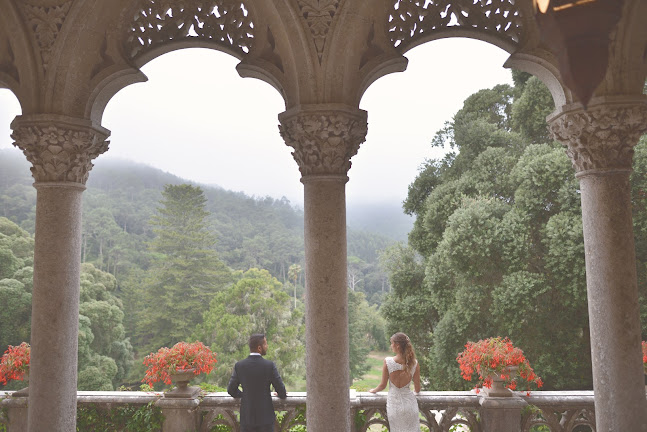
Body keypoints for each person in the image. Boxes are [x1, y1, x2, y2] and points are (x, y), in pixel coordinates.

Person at [227, 334, 287, 432]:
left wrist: (245, 395)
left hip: (247, 419)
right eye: (265, 344)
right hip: (265, 419)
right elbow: (282, 392)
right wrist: (279, 393)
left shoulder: (240, 366)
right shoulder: (269, 366)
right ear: (259, 348)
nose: (267, 346)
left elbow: (231, 390)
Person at [368, 332, 421, 432]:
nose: (391, 346)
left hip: (394, 404)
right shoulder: (414, 363)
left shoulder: (388, 362)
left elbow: (382, 385)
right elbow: (417, 389)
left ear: (397, 345)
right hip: (410, 404)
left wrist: (373, 391)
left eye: (392, 343)